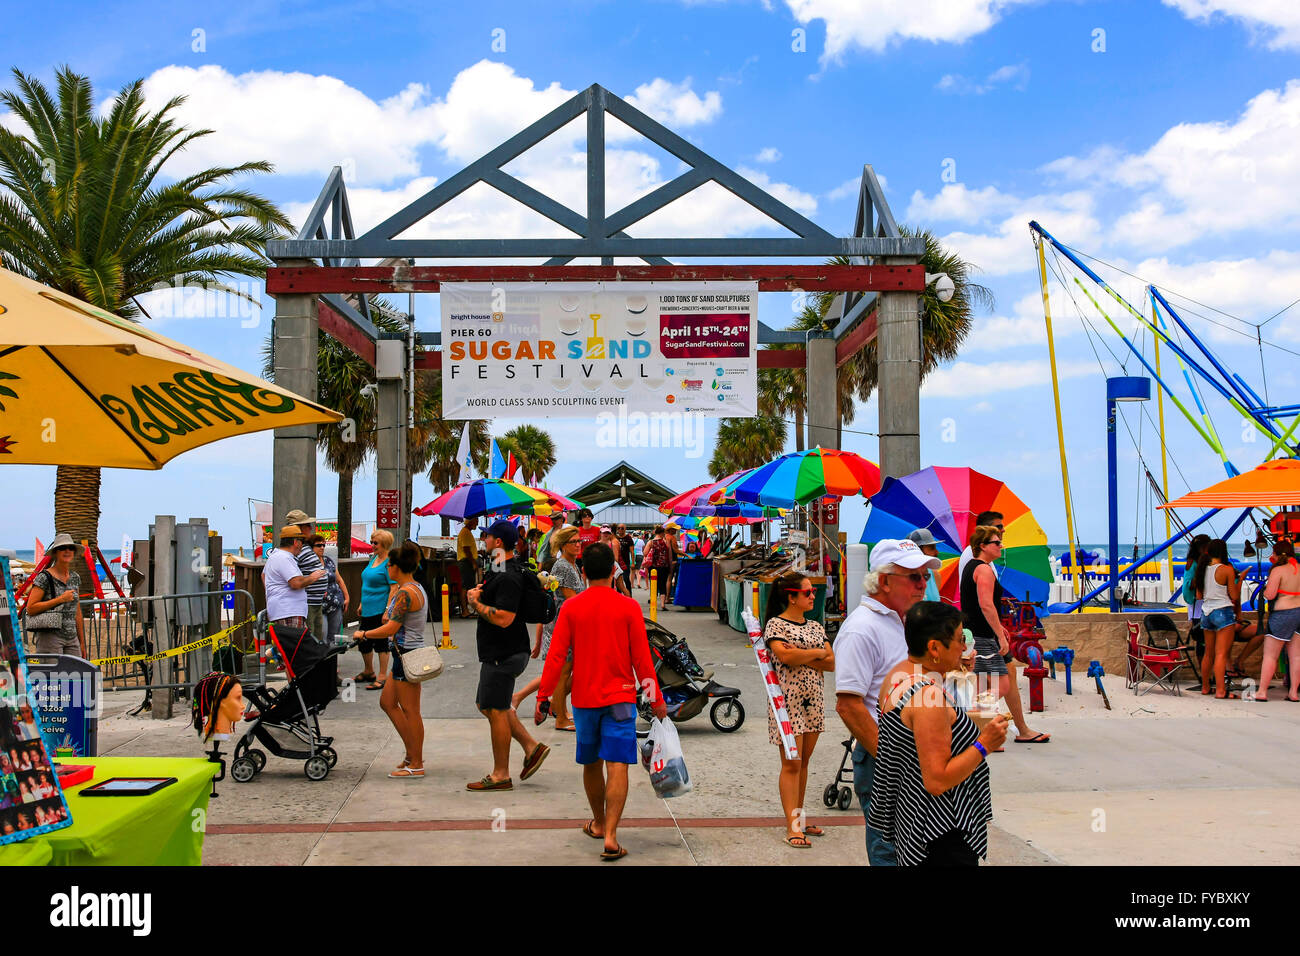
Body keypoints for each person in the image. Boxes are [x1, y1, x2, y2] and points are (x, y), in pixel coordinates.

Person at [539, 542, 667, 861]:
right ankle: (611, 835)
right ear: (613, 571)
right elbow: (643, 660)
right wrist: (656, 699)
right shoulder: (628, 608)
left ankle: (597, 823)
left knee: (591, 762)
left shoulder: (571, 608)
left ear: (583, 572)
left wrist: (544, 697)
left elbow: (556, 657)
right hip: (621, 698)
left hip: (584, 699)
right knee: (618, 764)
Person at [870, 601, 1008, 866]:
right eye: (958, 640)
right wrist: (984, 744)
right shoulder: (928, 697)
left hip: (913, 823)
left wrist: (950, 666)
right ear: (934, 647)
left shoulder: (898, 675)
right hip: (941, 832)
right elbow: (937, 780)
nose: (965, 647)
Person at [834, 538, 940, 866]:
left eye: (925, 576)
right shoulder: (862, 629)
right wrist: (892, 757)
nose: (923, 584)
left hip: (917, 750)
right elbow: (848, 705)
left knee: (917, 845)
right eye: (914, 577)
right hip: (889, 754)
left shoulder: (904, 621)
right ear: (883, 581)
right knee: (891, 850)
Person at [465, 520, 550, 791]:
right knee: (486, 705)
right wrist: (479, 591)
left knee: (497, 710)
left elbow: (504, 618)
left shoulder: (507, 576)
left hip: (505, 652)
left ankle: (501, 774)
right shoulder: (499, 567)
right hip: (500, 651)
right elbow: (493, 589)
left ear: (498, 542)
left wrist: (475, 603)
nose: (484, 540)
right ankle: (531, 746)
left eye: (487, 536)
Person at [763, 571, 834, 848]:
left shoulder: (816, 626)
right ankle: (792, 826)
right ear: (791, 597)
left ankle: (799, 819)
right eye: (807, 592)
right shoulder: (775, 626)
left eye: (813, 592)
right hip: (787, 704)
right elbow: (785, 656)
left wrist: (805, 655)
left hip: (814, 701)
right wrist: (816, 653)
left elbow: (831, 662)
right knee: (791, 764)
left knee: (803, 763)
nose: (813, 596)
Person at [961, 525, 1050, 743]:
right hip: (983, 636)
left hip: (978, 634)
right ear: (982, 546)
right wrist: (999, 636)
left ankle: (981, 729)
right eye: (996, 542)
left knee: (986, 684)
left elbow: (981, 604)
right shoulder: (983, 569)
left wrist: (999, 628)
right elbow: (986, 605)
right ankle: (968, 721)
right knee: (1000, 685)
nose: (1001, 546)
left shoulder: (974, 567)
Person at [353, 540, 429, 777]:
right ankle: (411, 753)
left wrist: (363, 633)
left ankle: (416, 763)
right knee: (387, 703)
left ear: (396, 567)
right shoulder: (415, 587)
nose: (387, 569)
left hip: (407, 654)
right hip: (402, 653)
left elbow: (390, 628)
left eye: (389, 566)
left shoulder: (406, 592)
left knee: (411, 710)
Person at [512, 526, 584, 728]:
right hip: (562, 625)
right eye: (573, 542)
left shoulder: (572, 565)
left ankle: (558, 707)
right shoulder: (562, 566)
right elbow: (571, 599)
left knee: (566, 672)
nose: (578, 545)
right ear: (562, 545)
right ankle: (560, 716)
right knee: (562, 672)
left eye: (579, 541)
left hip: (567, 625)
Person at [1197, 538, 1247, 699]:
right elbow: (1234, 595)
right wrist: (1241, 581)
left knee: (1208, 653)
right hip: (1223, 611)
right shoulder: (1226, 569)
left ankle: (1205, 687)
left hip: (1206, 612)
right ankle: (1220, 691)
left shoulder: (1202, 569)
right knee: (1221, 654)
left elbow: (1199, 596)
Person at [24, 533, 85, 658]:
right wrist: (60, 599)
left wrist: (82, 643)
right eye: (63, 548)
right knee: (52, 677)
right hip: (50, 638)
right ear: (56, 552)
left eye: (71, 548)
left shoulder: (75, 577)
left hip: (72, 638)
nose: (67, 551)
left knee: (75, 676)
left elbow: (77, 612)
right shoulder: (44, 577)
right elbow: (30, 608)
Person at [1255, 539, 1300, 702]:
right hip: (1299, 613)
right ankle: (1294, 692)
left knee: (1270, 655)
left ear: (1276, 554)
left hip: (1282, 614)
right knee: (1296, 656)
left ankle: (1262, 692)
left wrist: (1266, 591)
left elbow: (1270, 595)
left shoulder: (1278, 571)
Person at [262, 525, 324, 640]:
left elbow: (263, 576)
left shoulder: (275, 556)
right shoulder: (284, 558)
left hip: (283, 611)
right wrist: (312, 577)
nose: (302, 546)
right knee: (295, 649)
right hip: (288, 612)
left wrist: (273, 594)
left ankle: (267, 655)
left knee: (285, 649)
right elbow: (295, 583)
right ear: (296, 542)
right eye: (302, 542)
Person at [355, 529, 394, 689]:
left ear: (384, 544)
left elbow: (394, 587)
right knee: (363, 641)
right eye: (371, 542)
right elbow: (367, 584)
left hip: (379, 608)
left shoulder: (388, 563)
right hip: (367, 607)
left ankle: (383, 675)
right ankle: (368, 670)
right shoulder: (373, 559)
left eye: (375, 543)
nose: (372, 545)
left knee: (381, 642)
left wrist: (387, 610)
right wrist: (361, 603)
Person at [285, 510, 328, 642]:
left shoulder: (305, 547)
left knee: (318, 637)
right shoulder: (296, 549)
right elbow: (291, 572)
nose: (311, 528)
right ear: (298, 528)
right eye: (307, 525)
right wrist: (312, 578)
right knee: (309, 638)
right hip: (307, 602)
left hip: (317, 601)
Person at [311, 536, 350, 645]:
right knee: (322, 634)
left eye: (324, 545)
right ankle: (322, 660)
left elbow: (339, 579)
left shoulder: (328, 560)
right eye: (319, 545)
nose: (322, 547)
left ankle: (332, 660)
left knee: (334, 636)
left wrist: (347, 597)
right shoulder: (309, 564)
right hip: (319, 605)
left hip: (335, 602)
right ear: (311, 547)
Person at [908, 529, 943, 603]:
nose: (937, 552)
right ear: (917, 550)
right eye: (931, 548)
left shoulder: (935, 575)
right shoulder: (902, 578)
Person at [642, 525, 673, 610]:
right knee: (662, 584)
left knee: (653, 585)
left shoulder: (651, 542)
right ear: (662, 533)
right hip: (664, 566)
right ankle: (663, 604)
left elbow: (645, 553)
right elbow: (670, 556)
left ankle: (653, 604)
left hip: (653, 567)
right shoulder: (666, 541)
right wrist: (670, 566)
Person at [457, 518, 480, 618]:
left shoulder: (467, 532)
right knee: (465, 587)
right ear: (471, 521)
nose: (477, 523)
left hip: (467, 562)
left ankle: (466, 610)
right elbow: (466, 550)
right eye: (476, 521)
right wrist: (473, 562)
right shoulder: (465, 532)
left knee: (467, 586)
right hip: (466, 562)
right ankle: (465, 611)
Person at [617, 524, 635, 593]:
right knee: (618, 579)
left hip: (626, 562)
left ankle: (629, 595)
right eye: (618, 528)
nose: (620, 530)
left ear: (625, 529)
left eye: (622, 528)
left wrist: (633, 563)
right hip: (617, 562)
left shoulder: (628, 538)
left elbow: (632, 552)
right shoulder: (615, 538)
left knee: (626, 578)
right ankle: (619, 596)